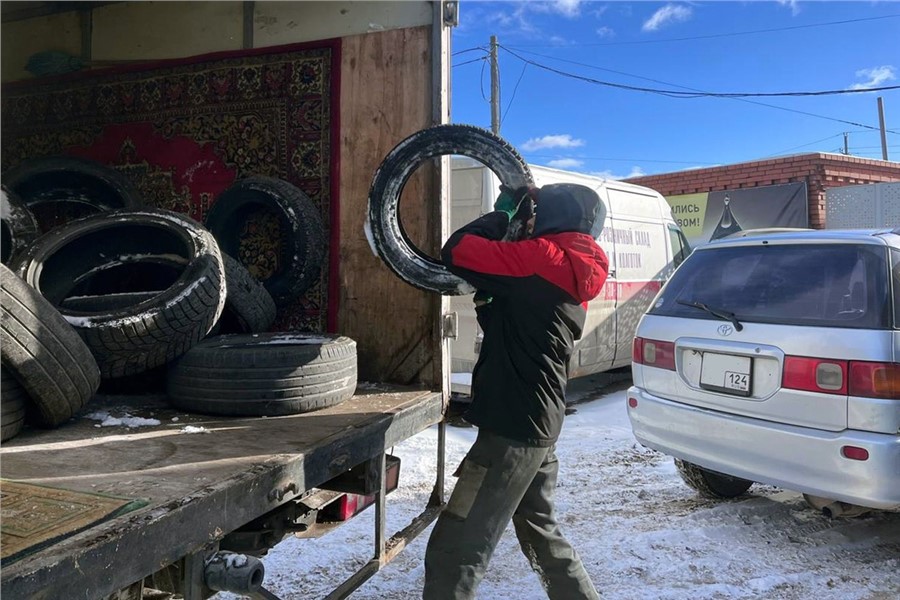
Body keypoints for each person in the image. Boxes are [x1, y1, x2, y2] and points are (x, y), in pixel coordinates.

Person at [423, 182, 610, 600]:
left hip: (513, 428)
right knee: (542, 533)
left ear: (555, 217)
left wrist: (503, 215)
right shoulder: (572, 264)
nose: (531, 220)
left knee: (454, 549)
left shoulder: (542, 257)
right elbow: (525, 321)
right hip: (537, 422)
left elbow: (458, 250)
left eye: (537, 213)